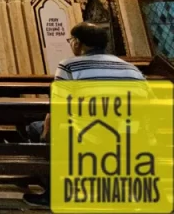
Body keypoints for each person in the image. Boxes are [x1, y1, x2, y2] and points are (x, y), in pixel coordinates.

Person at [22, 22, 144, 206]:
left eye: (71, 40)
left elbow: (58, 108)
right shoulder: (131, 69)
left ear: (78, 42)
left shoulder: (69, 65)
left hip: (89, 136)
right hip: (129, 136)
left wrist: (46, 134)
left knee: (36, 129)